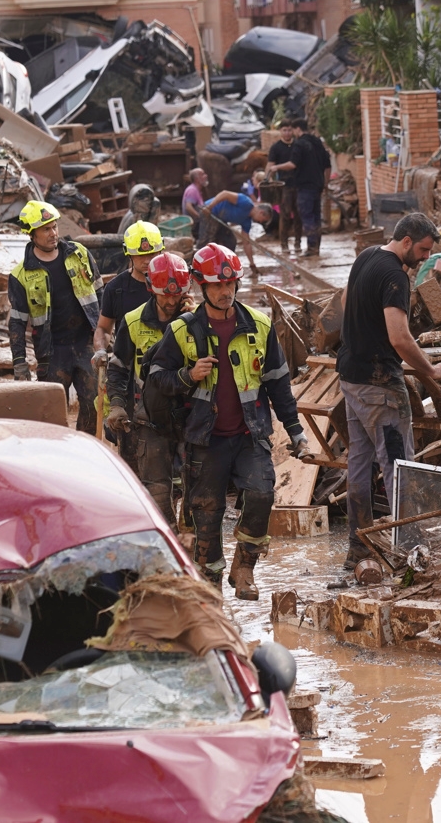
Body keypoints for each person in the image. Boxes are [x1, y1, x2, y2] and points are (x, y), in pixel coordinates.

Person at [146, 243, 310, 600]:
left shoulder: (260, 326)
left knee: (262, 494)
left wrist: (295, 431)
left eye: (231, 283)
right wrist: (188, 375)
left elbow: (279, 384)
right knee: (207, 516)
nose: (225, 292)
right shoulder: (182, 331)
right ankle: (213, 590)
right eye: (217, 286)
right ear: (201, 287)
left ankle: (245, 567)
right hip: (204, 440)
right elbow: (156, 377)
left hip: (249, 435)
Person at [337, 213, 441, 570]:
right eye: (423, 250)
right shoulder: (394, 276)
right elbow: (400, 337)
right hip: (379, 386)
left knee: (359, 465)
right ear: (406, 241)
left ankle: (357, 549)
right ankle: (408, 555)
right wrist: (431, 370)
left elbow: (346, 302)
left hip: (352, 377)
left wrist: (367, 332)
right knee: (398, 467)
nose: (425, 257)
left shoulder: (366, 256)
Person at [106, 252, 195, 529]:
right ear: (150, 289)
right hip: (151, 419)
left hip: (194, 417)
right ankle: (166, 544)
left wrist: (191, 318)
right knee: (156, 491)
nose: (171, 302)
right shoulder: (133, 322)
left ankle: (192, 550)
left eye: (177, 295)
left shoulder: (198, 320)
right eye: (164, 295)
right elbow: (119, 367)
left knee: (195, 490)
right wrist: (117, 404)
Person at [7, 199, 105, 435]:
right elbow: (17, 323)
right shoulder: (21, 275)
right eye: (45, 229)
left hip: (86, 344)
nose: (53, 233)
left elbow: (102, 294)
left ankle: (84, 452)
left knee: (94, 404)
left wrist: (107, 334)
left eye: (54, 227)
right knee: (51, 413)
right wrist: (19, 363)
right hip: (52, 353)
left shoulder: (79, 254)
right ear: (32, 234)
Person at [93, 220, 164, 465]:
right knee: (130, 445)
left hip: (167, 371)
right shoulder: (116, 289)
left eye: (154, 253)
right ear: (129, 255)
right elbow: (103, 327)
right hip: (128, 373)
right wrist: (101, 350)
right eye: (141, 255)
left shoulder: (171, 283)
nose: (148, 260)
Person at [291, 118, 330, 258]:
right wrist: (326, 183)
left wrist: (275, 167)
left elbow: (293, 164)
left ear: (297, 129)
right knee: (316, 216)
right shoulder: (318, 142)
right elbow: (327, 163)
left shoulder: (299, 144)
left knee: (307, 217)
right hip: (317, 186)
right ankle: (316, 246)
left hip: (305, 186)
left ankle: (312, 247)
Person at [205, 189, 267, 274]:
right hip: (209, 212)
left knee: (230, 242)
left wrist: (252, 264)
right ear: (261, 213)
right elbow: (225, 193)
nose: (260, 222)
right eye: (262, 220)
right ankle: (201, 268)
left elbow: (247, 243)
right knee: (206, 243)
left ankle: (224, 268)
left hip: (221, 220)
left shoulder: (247, 222)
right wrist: (209, 207)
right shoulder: (246, 202)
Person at [265, 123, 301, 252]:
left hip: (298, 184)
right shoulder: (276, 148)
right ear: (280, 131)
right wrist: (268, 181)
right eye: (284, 130)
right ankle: (284, 244)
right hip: (283, 186)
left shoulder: (298, 145)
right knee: (285, 215)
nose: (287, 133)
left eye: (289, 130)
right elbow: (270, 166)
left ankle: (298, 242)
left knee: (299, 215)